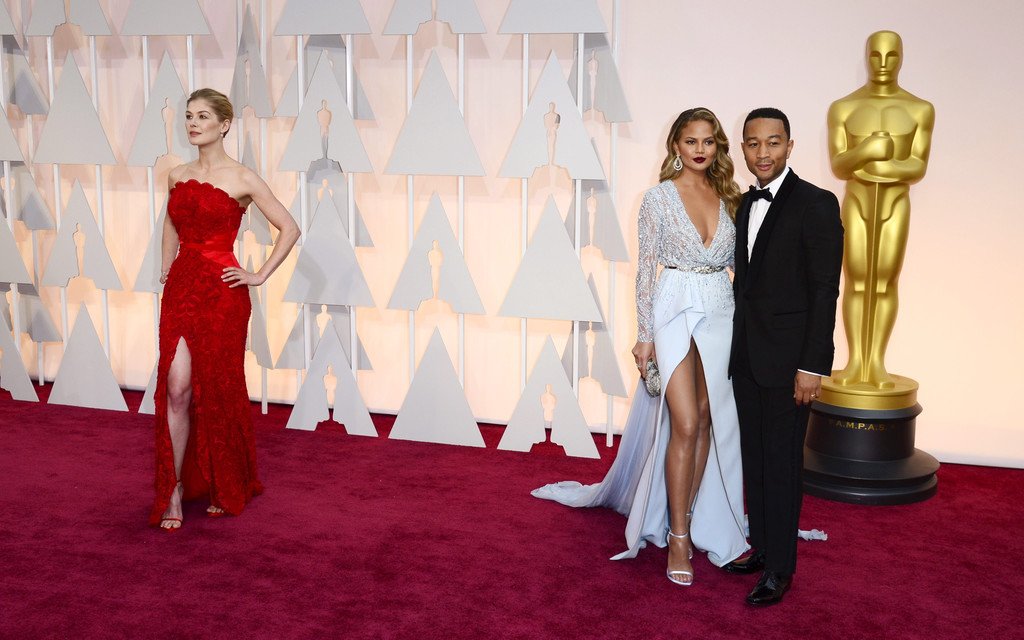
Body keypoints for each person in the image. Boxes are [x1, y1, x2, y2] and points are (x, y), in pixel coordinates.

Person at [533, 108, 749, 586]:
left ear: (718, 147)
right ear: (675, 145)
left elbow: (742, 267)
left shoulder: (731, 197)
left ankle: (689, 518)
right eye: (690, 140)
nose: (699, 149)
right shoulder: (657, 198)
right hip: (673, 308)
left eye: (708, 141)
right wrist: (645, 335)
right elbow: (645, 270)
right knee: (685, 422)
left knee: (707, 420)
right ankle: (677, 538)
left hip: (720, 309)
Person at [151, 88, 300, 530]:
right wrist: (167, 269)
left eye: (202, 117)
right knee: (177, 386)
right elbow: (171, 223)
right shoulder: (177, 175)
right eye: (188, 116)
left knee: (218, 387)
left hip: (222, 293)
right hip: (182, 289)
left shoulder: (243, 178)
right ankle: (174, 488)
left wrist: (259, 274)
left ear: (224, 125)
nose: (193, 124)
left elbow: (290, 227)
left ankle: (225, 480)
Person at [723, 108, 843, 605]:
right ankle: (763, 547)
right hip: (749, 358)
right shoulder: (744, 203)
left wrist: (812, 366)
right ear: (743, 149)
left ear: (790, 146)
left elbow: (825, 289)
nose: (763, 152)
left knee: (783, 464)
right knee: (755, 458)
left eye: (773, 142)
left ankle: (781, 568)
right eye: (753, 143)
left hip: (792, 363)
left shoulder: (816, 203)